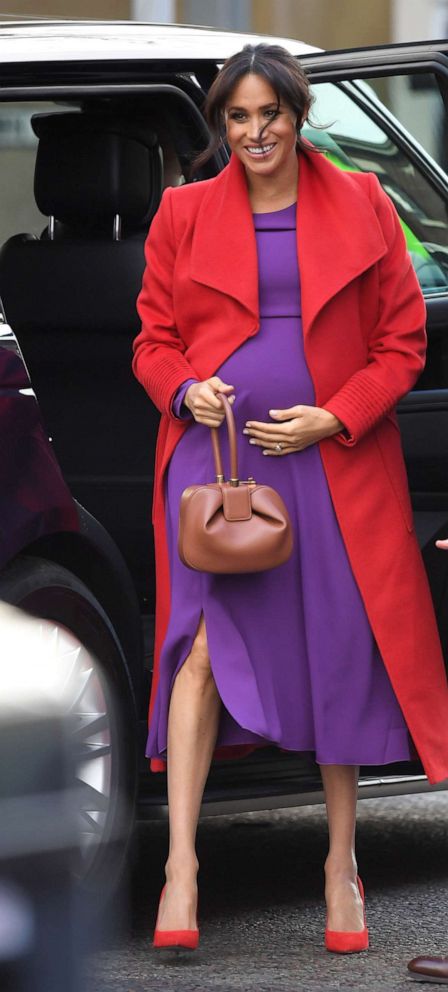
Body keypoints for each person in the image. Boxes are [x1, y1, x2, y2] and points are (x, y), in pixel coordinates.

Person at [132, 43, 448, 954]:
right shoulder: (182, 213)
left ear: (297, 116)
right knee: (196, 651)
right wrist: (189, 391)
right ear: (220, 125)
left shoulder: (362, 201)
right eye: (238, 116)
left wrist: (334, 418)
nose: (255, 131)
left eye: (270, 113)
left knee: (338, 650)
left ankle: (340, 866)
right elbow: (152, 341)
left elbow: (402, 344)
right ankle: (181, 867)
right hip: (217, 462)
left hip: (333, 464)